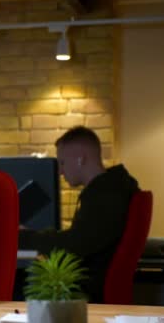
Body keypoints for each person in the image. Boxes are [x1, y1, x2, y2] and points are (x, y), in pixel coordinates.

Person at [19, 126, 139, 303]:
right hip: (89, 283)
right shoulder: (112, 189)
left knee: (18, 282)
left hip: (85, 291)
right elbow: (81, 239)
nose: (60, 171)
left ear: (80, 159)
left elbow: (76, 244)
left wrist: (21, 237)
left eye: (62, 163)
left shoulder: (106, 195)